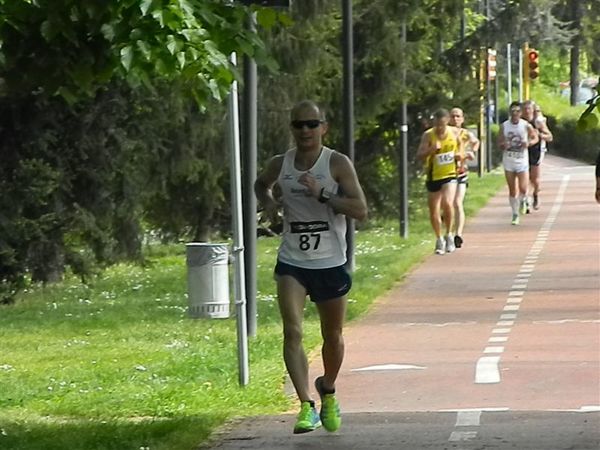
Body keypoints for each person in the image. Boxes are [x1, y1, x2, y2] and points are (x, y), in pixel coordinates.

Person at [254, 100, 368, 434]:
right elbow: (260, 184)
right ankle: (305, 405)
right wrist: (270, 205)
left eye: (311, 124)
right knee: (293, 331)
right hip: (292, 261)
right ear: (291, 128)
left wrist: (323, 195)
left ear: (323, 127)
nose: (305, 131)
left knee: (332, 336)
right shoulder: (281, 164)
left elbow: (360, 209)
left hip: (330, 261)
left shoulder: (336, 163)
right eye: (299, 125)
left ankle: (328, 388)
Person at [417, 108, 463, 254]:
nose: (440, 128)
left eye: (443, 125)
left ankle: (449, 234)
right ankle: (439, 238)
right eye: (437, 125)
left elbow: (461, 148)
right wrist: (431, 150)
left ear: (447, 122)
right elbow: (419, 155)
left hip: (449, 174)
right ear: (434, 123)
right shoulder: (428, 135)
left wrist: (459, 156)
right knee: (434, 210)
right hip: (433, 175)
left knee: (448, 203)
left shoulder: (454, 133)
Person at [498, 102, 539, 225]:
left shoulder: (525, 125)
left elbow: (535, 137)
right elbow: (499, 141)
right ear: (510, 113)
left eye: (517, 111)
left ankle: (524, 200)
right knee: (512, 190)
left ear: (520, 113)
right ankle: (515, 214)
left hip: (522, 160)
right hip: (509, 160)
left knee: (523, 187)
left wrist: (529, 143)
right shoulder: (504, 126)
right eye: (512, 111)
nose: (515, 114)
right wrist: (503, 145)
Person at [449, 107, 480, 248]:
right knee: (447, 204)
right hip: (445, 173)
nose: (455, 119)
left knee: (457, 203)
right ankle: (448, 233)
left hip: (461, 172)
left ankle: (458, 234)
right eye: (453, 116)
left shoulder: (465, 133)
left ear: (462, 119)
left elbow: (476, 142)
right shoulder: (445, 133)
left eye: (458, 116)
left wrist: (471, 152)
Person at [522, 100, 553, 211]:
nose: (526, 111)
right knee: (524, 177)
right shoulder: (519, 122)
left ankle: (536, 194)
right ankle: (526, 200)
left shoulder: (538, 122)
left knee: (534, 179)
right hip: (523, 150)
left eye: (528, 109)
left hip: (536, 150)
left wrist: (538, 134)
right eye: (524, 109)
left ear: (532, 110)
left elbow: (549, 136)